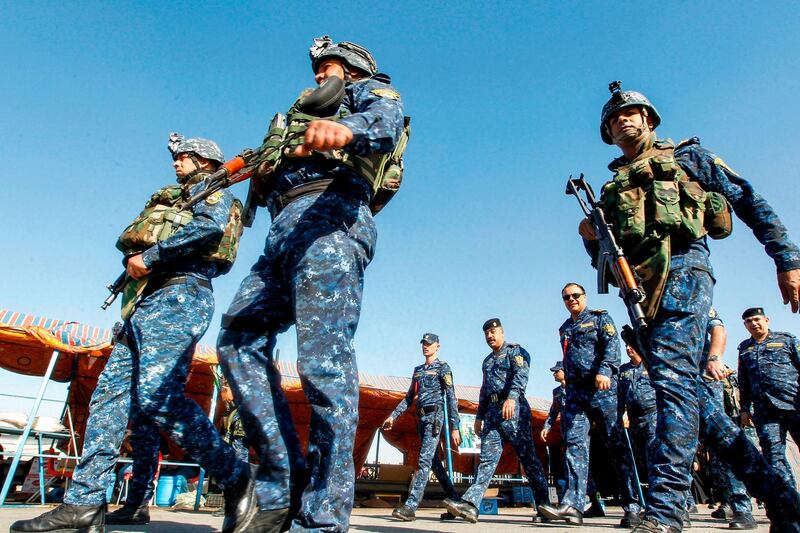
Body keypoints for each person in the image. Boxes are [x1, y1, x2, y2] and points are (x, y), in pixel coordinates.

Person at [580, 81, 800, 532]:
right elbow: (604, 260)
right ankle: (782, 498)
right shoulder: (611, 187)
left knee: (676, 391)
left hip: (685, 273)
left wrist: (787, 258)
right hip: (640, 293)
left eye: (631, 113)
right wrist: (590, 237)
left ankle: (665, 513)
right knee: (692, 397)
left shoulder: (688, 158)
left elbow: (749, 200)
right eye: (613, 119)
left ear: (649, 120)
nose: (622, 120)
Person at [11, 134, 253, 533]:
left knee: (160, 399)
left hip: (181, 294)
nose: (178, 163)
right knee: (108, 400)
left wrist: (152, 256)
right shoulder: (175, 198)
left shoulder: (214, 193)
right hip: (144, 301)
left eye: (186, 157)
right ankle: (84, 504)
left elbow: (210, 231)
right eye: (176, 157)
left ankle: (235, 475)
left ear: (206, 162)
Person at [215, 35, 405, 532]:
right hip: (282, 229)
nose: (320, 73)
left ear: (354, 69)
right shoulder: (294, 117)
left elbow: (384, 124)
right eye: (317, 67)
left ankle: (323, 514)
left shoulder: (370, 92)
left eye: (330, 65)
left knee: (324, 364)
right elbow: (260, 160)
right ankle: (283, 486)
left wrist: (344, 130)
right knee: (237, 340)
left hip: (330, 216)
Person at [538, 284, 642, 527]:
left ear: (584, 297)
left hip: (602, 390)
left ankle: (633, 505)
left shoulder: (600, 319)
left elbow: (612, 346)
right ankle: (573, 505)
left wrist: (605, 371)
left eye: (575, 296)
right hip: (576, 394)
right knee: (574, 446)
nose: (571, 300)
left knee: (617, 447)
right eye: (566, 297)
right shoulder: (565, 328)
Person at [444, 319, 550, 523]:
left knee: (528, 458)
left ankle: (544, 505)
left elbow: (521, 375)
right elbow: (484, 390)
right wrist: (479, 416)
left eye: (493, 332)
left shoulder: (515, 352)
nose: (490, 336)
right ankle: (471, 505)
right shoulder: (487, 361)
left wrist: (512, 397)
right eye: (486, 334)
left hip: (514, 411)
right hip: (492, 414)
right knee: (486, 460)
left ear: (502, 332)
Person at [383, 333, 462, 521]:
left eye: (429, 344)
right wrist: (393, 416)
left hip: (435, 417)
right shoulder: (417, 370)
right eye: (424, 344)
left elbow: (451, 397)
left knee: (424, 461)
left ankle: (410, 506)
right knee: (434, 463)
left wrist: (455, 426)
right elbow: (409, 397)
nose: (425, 346)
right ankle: (455, 500)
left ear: (438, 346)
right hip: (421, 419)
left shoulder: (443, 368)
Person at [738, 307, 800, 490]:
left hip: (794, 404)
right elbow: (744, 381)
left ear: (767, 320)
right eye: (749, 321)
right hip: (765, 411)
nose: (754, 324)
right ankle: (790, 502)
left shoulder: (786, 340)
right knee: (773, 456)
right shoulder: (744, 348)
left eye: (757, 319)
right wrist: (744, 409)